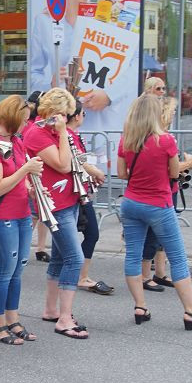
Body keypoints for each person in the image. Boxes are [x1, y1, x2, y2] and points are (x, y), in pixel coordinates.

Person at [117, 93, 192, 330]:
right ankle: (191, 312)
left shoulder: (126, 140)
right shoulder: (166, 141)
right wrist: (188, 163)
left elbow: (121, 174)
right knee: (178, 257)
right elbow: (172, 173)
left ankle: (140, 306)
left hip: (131, 203)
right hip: (158, 204)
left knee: (132, 256)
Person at [28, 0, 117, 124]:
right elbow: (34, 72)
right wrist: (50, 83)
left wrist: (110, 95)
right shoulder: (43, 21)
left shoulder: (109, 14)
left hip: (102, 127)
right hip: (60, 129)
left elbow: (129, 65)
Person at [22, 88, 89, 340]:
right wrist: (62, 133)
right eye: (63, 113)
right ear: (52, 112)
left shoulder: (52, 131)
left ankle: (51, 309)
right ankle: (64, 318)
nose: (66, 118)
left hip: (67, 199)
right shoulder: (38, 134)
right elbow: (62, 163)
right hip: (54, 203)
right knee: (75, 258)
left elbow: (73, 161)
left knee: (60, 259)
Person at [0, 95, 45, 344]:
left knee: (17, 271)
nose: (26, 125)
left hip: (21, 213)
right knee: (5, 272)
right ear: (13, 118)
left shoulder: (17, 141)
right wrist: (25, 170)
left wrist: (31, 188)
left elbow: (22, 178)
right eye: (24, 120)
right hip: (4, 216)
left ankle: (13, 319)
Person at [67, 104, 111, 295]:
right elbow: (76, 161)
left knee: (86, 234)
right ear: (76, 116)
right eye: (83, 113)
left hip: (81, 191)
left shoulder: (73, 134)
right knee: (91, 233)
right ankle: (80, 277)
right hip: (75, 194)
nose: (84, 116)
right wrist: (95, 171)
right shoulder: (68, 136)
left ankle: (78, 275)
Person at [25, 92, 51, 262]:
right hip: (32, 174)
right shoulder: (31, 126)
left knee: (43, 214)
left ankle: (40, 247)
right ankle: (24, 247)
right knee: (34, 215)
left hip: (42, 172)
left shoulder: (36, 124)